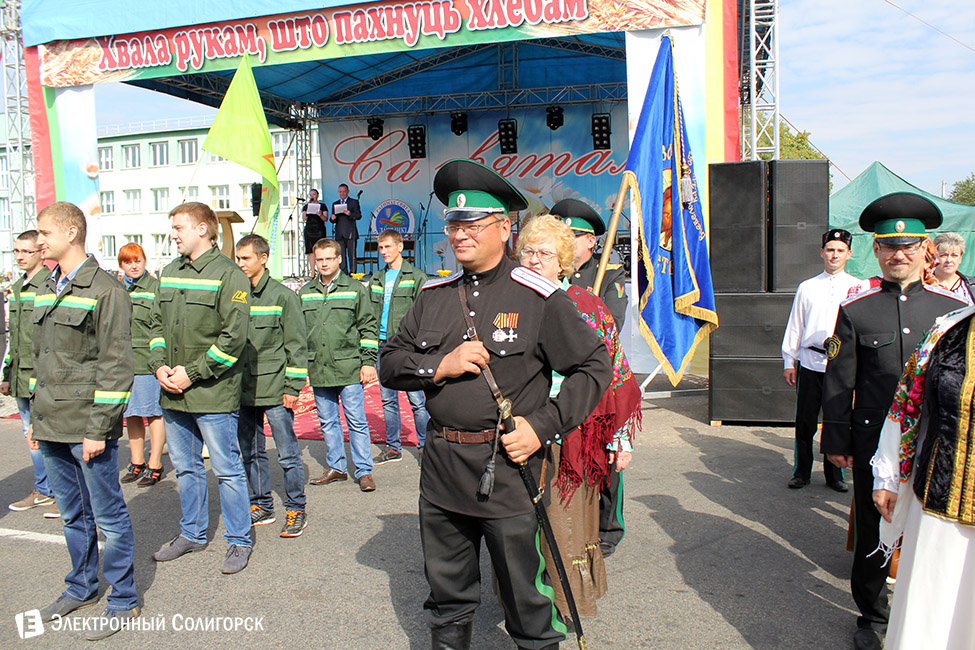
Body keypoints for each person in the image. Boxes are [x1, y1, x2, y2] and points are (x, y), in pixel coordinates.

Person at [381, 159, 612, 650]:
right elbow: (391, 363)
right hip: (442, 468)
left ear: (505, 228)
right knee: (447, 596)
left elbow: (594, 366)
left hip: (507, 469)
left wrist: (543, 426)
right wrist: (440, 365)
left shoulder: (538, 297)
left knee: (525, 598)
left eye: (472, 224)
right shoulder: (433, 296)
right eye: (453, 224)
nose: (459, 234)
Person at [821, 192, 968, 650]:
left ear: (925, 249)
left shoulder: (951, 312)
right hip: (872, 442)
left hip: (936, 440)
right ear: (877, 250)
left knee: (930, 527)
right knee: (873, 525)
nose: (898, 255)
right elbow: (840, 380)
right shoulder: (856, 310)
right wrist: (836, 440)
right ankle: (873, 616)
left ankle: (925, 613)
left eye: (907, 247)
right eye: (888, 246)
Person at [516, 213, 642, 620]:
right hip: (518, 435)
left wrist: (619, 439)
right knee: (520, 530)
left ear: (563, 263)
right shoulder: (508, 304)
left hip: (572, 439)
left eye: (545, 254)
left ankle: (561, 610)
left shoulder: (588, 305)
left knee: (563, 527)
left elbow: (615, 377)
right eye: (528, 252)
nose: (534, 260)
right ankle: (524, 608)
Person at [28, 202, 139, 640]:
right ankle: (81, 586)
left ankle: (123, 598)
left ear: (71, 232)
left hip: (87, 426)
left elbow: (116, 365)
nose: (39, 240)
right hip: (52, 422)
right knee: (73, 515)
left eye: (45, 233)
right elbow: (42, 359)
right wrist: (36, 418)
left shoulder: (105, 289)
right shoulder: (46, 285)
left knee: (108, 517)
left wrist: (98, 428)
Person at [148, 201, 254, 575]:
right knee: (186, 469)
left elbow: (233, 339)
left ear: (203, 229)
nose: (173, 234)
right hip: (172, 393)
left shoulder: (230, 275)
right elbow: (154, 327)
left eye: (179, 227)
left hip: (212, 394)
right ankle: (192, 533)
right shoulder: (168, 272)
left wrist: (192, 373)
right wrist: (158, 365)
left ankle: (239, 540)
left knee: (227, 469)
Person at [871, 299, 975, 650]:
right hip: (937, 504)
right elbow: (905, 407)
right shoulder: (947, 332)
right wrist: (888, 478)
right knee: (930, 613)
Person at [549, 198, 629, 558]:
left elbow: (613, 323)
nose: (566, 242)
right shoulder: (549, 277)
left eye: (573, 237)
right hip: (560, 379)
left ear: (590, 241)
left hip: (599, 375)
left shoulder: (608, 273)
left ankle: (609, 526)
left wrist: (585, 309)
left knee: (606, 452)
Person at [234, 234, 310, 537]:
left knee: (288, 454)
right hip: (243, 389)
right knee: (250, 452)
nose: (240, 264)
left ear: (263, 259)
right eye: (238, 258)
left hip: (276, 389)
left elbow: (296, 345)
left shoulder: (283, 296)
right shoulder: (236, 295)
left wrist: (292, 387)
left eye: (246, 258)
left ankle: (296, 508)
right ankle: (261, 504)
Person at [781, 229, 864, 492]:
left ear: (849, 254)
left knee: (837, 419)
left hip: (842, 366)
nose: (834, 255)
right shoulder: (807, 287)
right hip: (810, 361)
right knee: (805, 421)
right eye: (830, 250)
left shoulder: (859, 288)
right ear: (821, 253)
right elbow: (796, 324)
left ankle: (835, 474)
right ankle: (801, 471)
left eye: (840, 250)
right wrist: (789, 360)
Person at [300, 238, 379, 492]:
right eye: (319, 259)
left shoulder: (355, 289)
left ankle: (364, 471)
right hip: (319, 367)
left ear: (339, 259)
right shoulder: (305, 292)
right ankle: (336, 467)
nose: (324, 264)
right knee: (327, 421)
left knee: (356, 421)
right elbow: (299, 333)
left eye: (329, 259)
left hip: (349, 367)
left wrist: (368, 362)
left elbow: (368, 327)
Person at [3, 229, 58, 517]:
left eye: (27, 251)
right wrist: (6, 373)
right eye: (17, 251)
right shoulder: (19, 286)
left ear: (41, 253)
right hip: (21, 374)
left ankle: (59, 493)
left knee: (49, 435)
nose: (20, 256)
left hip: (42, 375)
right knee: (30, 434)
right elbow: (14, 337)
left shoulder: (48, 286)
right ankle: (45, 489)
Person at [369, 229, 430, 463]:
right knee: (387, 400)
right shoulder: (376, 279)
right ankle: (393, 447)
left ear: (400, 247)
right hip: (381, 345)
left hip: (406, 347)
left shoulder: (416, 277)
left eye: (388, 246)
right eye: (381, 247)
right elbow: (370, 314)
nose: (383, 251)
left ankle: (425, 447)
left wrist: (417, 345)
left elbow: (424, 314)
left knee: (417, 401)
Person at [117, 243, 167, 487]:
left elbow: (159, 324)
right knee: (132, 413)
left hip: (147, 360)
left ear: (145, 261)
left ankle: (155, 462)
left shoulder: (155, 287)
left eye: (137, 261)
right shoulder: (118, 289)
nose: (134, 266)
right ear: (121, 265)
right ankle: (137, 461)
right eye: (128, 262)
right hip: (124, 361)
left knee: (154, 412)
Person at [932, 231, 973, 302]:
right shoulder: (923, 285)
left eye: (954, 255)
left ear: (960, 258)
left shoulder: (971, 287)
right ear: (934, 257)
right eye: (943, 255)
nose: (949, 260)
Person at [330, 183, 362, 274]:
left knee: (352, 255)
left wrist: (350, 214)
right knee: (341, 256)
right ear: (338, 192)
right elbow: (333, 220)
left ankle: (353, 274)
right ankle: (343, 274)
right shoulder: (335, 203)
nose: (342, 193)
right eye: (340, 192)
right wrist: (332, 218)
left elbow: (359, 215)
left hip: (350, 232)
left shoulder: (353, 202)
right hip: (339, 233)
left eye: (344, 191)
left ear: (348, 191)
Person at [302, 188, 325, 275]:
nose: (312, 196)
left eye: (314, 194)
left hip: (319, 229)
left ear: (317, 195)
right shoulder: (306, 206)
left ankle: (319, 271)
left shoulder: (322, 206)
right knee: (310, 251)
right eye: (311, 195)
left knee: (320, 250)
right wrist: (307, 211)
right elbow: (304, 218)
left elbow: (325, 218)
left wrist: (320, 215)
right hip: (309, 230)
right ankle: (312, 272)